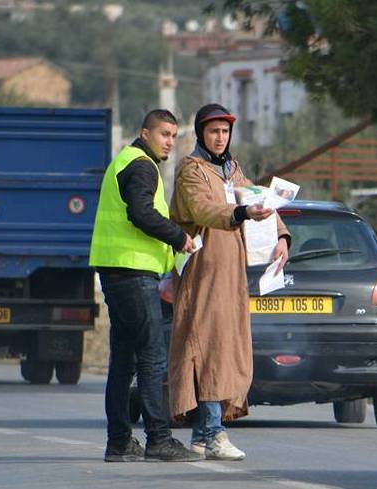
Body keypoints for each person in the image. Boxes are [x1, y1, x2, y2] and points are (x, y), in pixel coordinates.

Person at [168, 103, 291, 461]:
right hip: (203, 273)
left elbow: (260, 201)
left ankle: (204, 435)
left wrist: (282, 236)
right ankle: (213, 433)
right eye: (213, 132)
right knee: (208, 349)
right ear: (202, 134)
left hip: (233, 274)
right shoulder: (191, 170)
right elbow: (203, 209)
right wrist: (240, 212)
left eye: (224, 132)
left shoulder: (233, 170)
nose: (220, 138)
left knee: (226, 350)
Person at [89, 109, 202, 463]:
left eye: (173, 135)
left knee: (123, 360)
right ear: (145, 133)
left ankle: (119, 442)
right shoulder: (140, 164)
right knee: (152, 357)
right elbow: (140, 212)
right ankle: (159, 439)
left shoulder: (125, 160)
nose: (170, 141)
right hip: (133, 273)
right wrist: (179, 236)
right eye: (164, 134)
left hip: (118, 271)